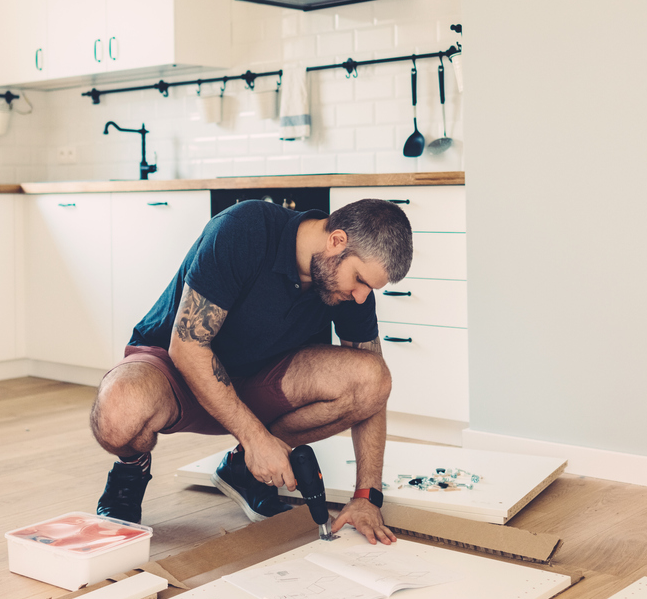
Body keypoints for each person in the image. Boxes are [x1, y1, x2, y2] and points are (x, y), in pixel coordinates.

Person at [89, 197, 413, 545]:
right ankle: (130, 470)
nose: (362, 296)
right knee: (118, 414)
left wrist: (367, 496)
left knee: (373, 379)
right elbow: (186, 347)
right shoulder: (244, 229)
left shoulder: (347, 291)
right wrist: (255, 438)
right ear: (337, 241)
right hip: (178, 370)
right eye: (360, 280)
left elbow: (374, 392)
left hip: (259, 382)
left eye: (370, 289)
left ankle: (243, 470)